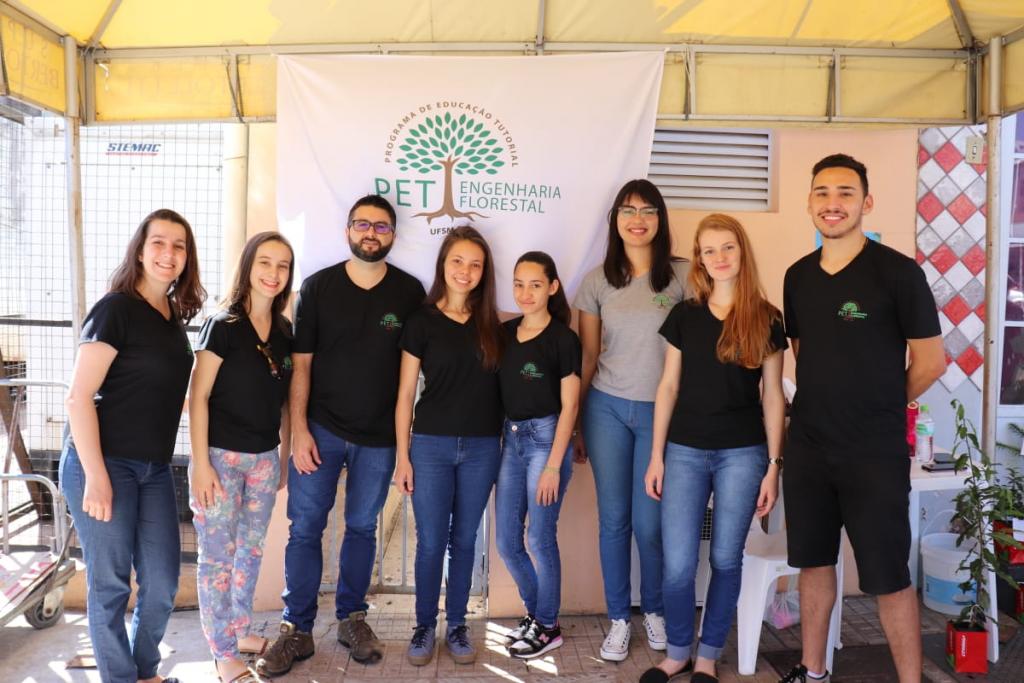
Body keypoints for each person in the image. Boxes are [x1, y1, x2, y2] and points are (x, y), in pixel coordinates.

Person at [778, 154, 945, 683]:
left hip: (873, 450)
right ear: (809, 203)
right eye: (822, 192)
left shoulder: (898, 272)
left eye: (846, 193)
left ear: (866, 203)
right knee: (813, 562)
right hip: (809, 445)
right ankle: (812, 671)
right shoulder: (797, 277)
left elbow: (931, 361)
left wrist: (880, 402)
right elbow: (806, 353)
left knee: (889, 575)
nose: (833, 203)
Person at [257, 196, 424, 676]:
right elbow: (300, 368)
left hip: (378, 440)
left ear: (393, 234)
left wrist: (404, 444)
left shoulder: (410, 294)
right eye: (362, 224)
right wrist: (301, 431)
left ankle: (352, 618)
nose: (371, 232)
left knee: (361, 528)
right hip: (322, 432)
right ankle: (296, 630)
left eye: (382, 226)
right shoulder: (316, 288)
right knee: (305, 528)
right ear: (348, 230)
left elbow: (412, 376)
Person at [60, 209, 206, 683]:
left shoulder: (171, 317)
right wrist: (96, 476)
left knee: (162, 583)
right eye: (159, 243)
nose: (169, 254)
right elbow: (78, 397)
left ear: (187, 257)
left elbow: (154, 387)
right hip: (103, 463)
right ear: (140, 250)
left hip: (155, 467)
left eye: (179, 246)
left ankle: (145, 672)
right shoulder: (115, 309)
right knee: (110, 585)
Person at [641, 214, 786, 683]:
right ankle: (678, 651)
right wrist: (657, 455)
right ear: (699, 260)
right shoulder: (684, 316)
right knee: (679, 563)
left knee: (726, 558)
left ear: (742, 252)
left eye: (727, 248)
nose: (719, 257)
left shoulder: (766, 318)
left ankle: (707, 656)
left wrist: (773, 467)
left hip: (743, 454)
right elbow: (667, 387)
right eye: (708, 250)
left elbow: (773, 395)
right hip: (683, 450)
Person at [573, 178, 689, 661]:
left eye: (647, 210)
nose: (637, 219)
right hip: (606, 410)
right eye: (627, 210)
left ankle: (655, 610)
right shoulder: (598, 281)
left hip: (662, 415)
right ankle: (620, 618)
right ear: (615, 221)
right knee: (614, 521)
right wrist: (576, 422)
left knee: (650, 524)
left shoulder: (684, 278)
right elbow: (587, 356)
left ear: (660, 220)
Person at [394, 226, 504, 666]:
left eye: (475, 264)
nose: (466, 271)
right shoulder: (421, 321)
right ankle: (424, 624)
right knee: (431, 541)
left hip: (481, 449)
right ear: (443, 264)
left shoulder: (494, 324)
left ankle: (457, 624)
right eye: (458, 261)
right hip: (431, 446)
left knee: (464, 541)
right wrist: (403, 456)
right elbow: (404, 395)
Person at [188, 232, 295, 683]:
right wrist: (200, 464)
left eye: (283, 266)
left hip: (264, 459)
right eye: (265, 263)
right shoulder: (224, 324)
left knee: (250, 552)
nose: (273, 274)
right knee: (217, 556)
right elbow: (198, 397)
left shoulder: (286, 330)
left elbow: (287, 399)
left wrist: (284, 455)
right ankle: (222, 653)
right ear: (248, 266)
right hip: (220, 458)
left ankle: (239, 631)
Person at [495, 252, 581, 659]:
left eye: (534, 284)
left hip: (546, 441)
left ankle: (548, 626)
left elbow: (570, 406)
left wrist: (552, 465)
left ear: (553, 287)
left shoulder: (564, 338)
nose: (525, 293)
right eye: (518, 283)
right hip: (510, 441)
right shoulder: (504, 333)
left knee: (539, 537)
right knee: (508, 541)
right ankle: (538, 616)